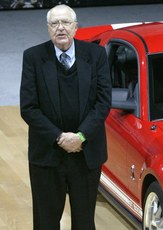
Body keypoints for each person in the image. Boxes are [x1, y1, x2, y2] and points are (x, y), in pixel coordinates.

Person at [20, 4, 111, 229]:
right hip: (48, 155)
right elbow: (29, 108)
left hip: (86, 154)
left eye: (66, 23)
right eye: (54, 24)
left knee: (84, 222)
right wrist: (61, 138)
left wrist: (80, 137)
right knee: (46, 222)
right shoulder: (33, 57)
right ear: (48, 28)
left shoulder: (96, 55)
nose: (60, 28)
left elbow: (103, 102)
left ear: (76, 27)